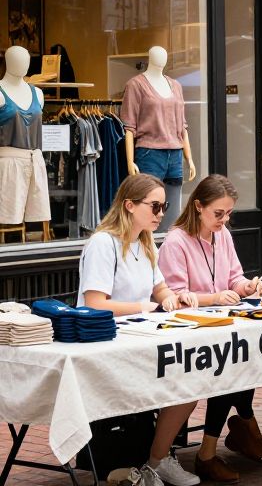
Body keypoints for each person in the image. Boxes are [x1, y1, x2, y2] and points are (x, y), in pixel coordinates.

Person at [77, 173, 200, 486]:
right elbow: (94, 304)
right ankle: (153, 461)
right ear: (129, 205)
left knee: (193, 382)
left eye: (164, 206)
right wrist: (145, 307)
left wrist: (173, 298)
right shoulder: (103, 244)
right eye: (155, 206)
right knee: (184, 382)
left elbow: (160, 290)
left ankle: (156, 461)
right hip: (105, 345)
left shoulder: (145, 242)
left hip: (138, 340)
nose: (161, 214)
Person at [158, 175, 262, 483]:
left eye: (229, 213)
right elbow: (177, 295)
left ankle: (234, 435)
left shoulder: (223, 236)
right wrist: (216, 297)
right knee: (230, 367)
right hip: (189, 332)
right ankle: (235, 434)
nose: (224, 220)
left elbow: (234, 277)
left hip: (221, 325)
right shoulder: (176, 241)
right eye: (218, 213)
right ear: (198, 207)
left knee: (244, 360)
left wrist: (246, 286)